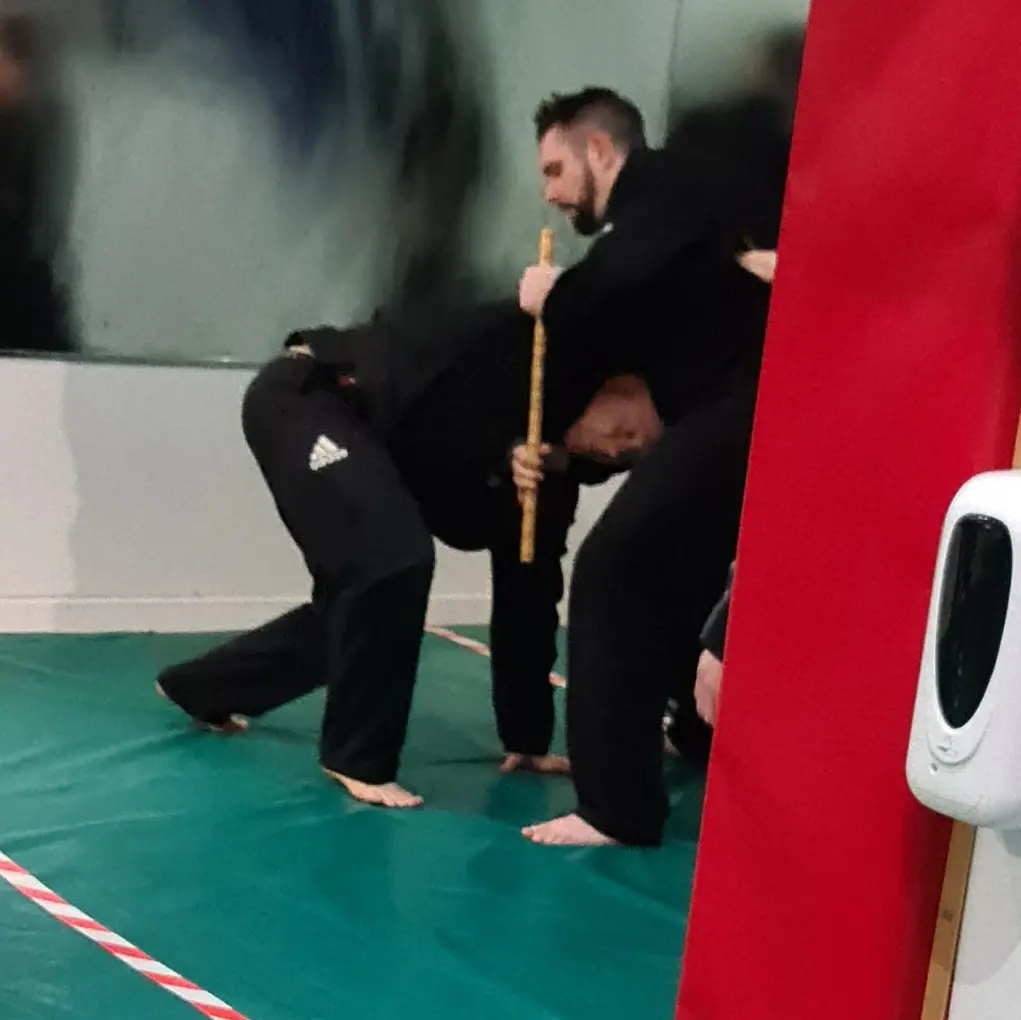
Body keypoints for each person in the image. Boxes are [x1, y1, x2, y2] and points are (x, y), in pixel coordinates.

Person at [156, 298, 662, 806]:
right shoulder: (523, 347)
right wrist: (500, 447)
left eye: (631, 455)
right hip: (315, 396)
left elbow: (527, 600)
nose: (615, 451)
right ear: (617, 383)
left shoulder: (552, 478)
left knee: (375, 601)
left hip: (387, 440)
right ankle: (356, 758)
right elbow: (421, 377)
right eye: (625, 432)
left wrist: (527, 739)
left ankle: (205, 688)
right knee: (391, 561)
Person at [511, 87, 775, 847]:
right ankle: (697, 735)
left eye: (556, 170)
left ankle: (616, 807)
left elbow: (618, 277)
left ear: (599, 151)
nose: (550, 193)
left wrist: (554, 296)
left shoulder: (662, 187)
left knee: (610, 572)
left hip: (741, 409)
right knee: (682, 580)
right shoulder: (680, 209)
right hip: (731, 411)